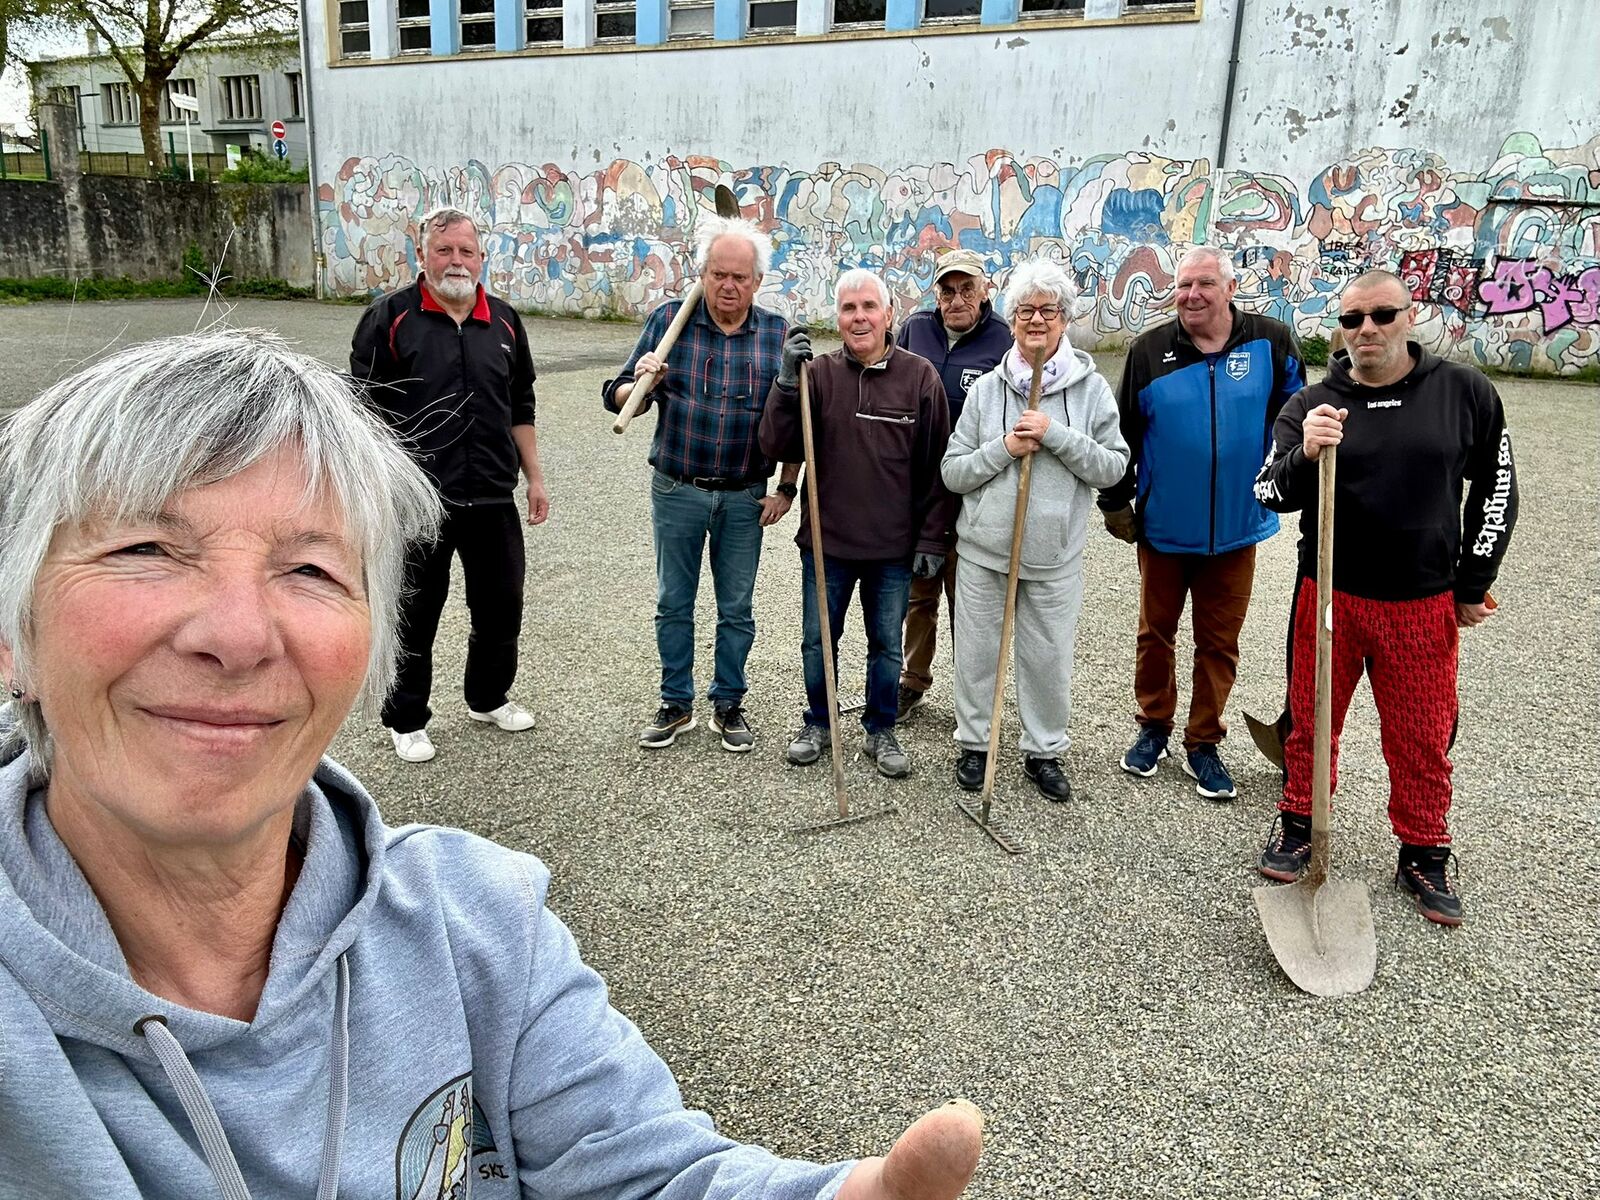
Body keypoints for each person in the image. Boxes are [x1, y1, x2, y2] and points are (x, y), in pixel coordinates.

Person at [0, 330, 983, 1197]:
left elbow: (649, 1178)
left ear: (369, 642)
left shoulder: (478, 927)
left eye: (309, 569)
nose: (237, 634)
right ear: (14, 631)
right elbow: (621, 403)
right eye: (145, 549)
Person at [1252, 270, 1518, 925]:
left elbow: (1498, 489)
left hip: (1422, 602)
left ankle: (1424, 848)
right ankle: (1300, 821)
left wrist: (1472, 583)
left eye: (1380, 315)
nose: (1366, 329)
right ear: (1339, 330)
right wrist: (1306, 455)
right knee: (1311, 721)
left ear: (1409, 316)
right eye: (1352, 320)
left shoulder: (1463, 393)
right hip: (1331, 595)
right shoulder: (1314, 404)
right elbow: (1267, 493)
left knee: (1423, 735)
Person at [1098, 246, 1306, 800]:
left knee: (1219, 642)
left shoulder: (1272, 342)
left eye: (1205, 284)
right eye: (1184, 285)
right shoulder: (1148, 352)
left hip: (1238, 527)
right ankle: (1154, 727)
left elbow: (1295, 424)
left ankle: (1203, 741)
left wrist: (1293, 484)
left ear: (1230, 289)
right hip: (1165, 526)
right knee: (1155, 634)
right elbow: (1123, 435)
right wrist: (1117, 503)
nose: (1192, 295)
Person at [350, 205, 548, 764]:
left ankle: (488, 697)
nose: (456, 261)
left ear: (481, 258)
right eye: (445, 250)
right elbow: (364, 414)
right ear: (423, 256)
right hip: (418, 500)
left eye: (466, 251)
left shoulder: (505, 321)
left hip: (491, 493)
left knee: (500, 606)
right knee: (415, 609)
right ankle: (406, 716)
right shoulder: (389, 318)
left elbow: (521, 404)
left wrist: (534, 478)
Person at [604, 215, 799, 753]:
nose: (728, 286)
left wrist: (786, 488)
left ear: (757, 282)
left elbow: (794, 420)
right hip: (677, 488)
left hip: (743, 495)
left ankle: (729, 703)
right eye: (718, 274)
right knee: (674, 600)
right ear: (703, 275)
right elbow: (617, 395)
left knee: (736, 606)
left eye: (739, 277)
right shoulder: (670, 322)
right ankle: (675, 702)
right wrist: (641, 383)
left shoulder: (777, 335)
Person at [941, 261, 1129, 801]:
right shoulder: (987, 391)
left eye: (1048, 310)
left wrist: (1056, 436)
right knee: (977, 653)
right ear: (1013, 319)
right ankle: (977, 743)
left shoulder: (1091, 390)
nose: (1037, 320)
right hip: (984, 550)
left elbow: (1114, 468)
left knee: (1046, 659)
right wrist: (1005, 448)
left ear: (1065, 319)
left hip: (1053, 555)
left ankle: (1043, 750)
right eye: (1026, 311)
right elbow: (952, 473)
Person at [759, 270, 955, 779]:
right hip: (827, 542)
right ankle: (820, 722)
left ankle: (880, 728)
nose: (859, 317)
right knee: (817, 640)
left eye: (870, 306)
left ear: (889, 314)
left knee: (887, 644)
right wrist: (785, 384)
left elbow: (939, 466)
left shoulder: (920, 378)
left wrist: (933, 536)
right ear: (838, 317)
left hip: (894, 547)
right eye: (849, 308)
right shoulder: (817, 375)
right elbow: (777, 445)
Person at [893, 248, 1012, 723]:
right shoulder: (914, 330)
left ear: (986, 291)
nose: (956, 298)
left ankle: (975, 693)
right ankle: (912, 680)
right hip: (917, 490)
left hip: (974, 491)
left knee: (972, 600)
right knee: (919, 593)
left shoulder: (1003, 340)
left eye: (967, 288)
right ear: (936, 293)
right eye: (947, 289)